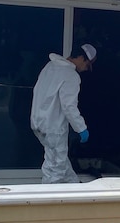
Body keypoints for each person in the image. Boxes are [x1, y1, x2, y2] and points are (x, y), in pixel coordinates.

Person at [30, 43, 97, 183]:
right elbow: (69, 106)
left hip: (39, 122)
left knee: (63, 166)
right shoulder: (71, 75)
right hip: (54, 128)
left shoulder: (50, 66)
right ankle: (48, 201)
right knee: (55, 170)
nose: (86, 69)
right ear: (80, 57)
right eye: (87, 64)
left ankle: (76, 191)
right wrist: (81, 128)